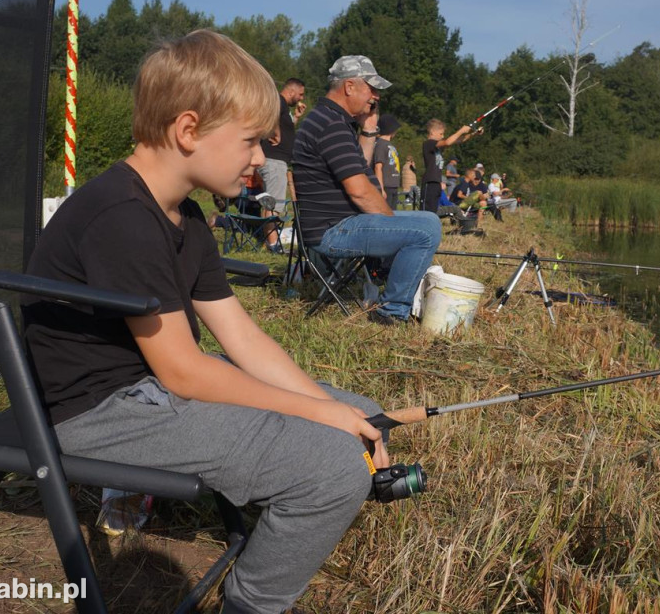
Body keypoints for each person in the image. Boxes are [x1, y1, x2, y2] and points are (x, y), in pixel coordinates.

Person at [22, 30, 389, 614]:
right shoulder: (122, 216)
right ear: (188, 130)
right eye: (249, 142)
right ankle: (251, 605)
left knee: (365, 418)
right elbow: (185, 374)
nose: (260, 158)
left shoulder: (185, 215)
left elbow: (240, 335)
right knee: (336, 468)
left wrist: (335, 407)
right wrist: (322, 417)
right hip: (100, 413)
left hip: (151, 390)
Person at [292, 55, 442, 325]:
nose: (376, 96)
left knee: (429, 220)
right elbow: (360, 191)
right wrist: (392, 228)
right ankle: (392, 312)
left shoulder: (332, 120)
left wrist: (369, 130)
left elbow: (358, 168)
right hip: (332, 231)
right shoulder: (330, 125)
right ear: (349, 87)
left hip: (340, 223)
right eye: (371, 88)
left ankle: (392, 296)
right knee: (425, 230)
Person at [258, 78, 306, 253]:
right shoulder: (278, 101)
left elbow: (285, 128)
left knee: (272, 201)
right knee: (273, 203)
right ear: (292, 91)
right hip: (274, 161)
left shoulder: (284, 108)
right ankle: (273, 244)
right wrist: (275, 131)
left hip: (276, 161)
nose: (301, 98)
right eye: (300, 94)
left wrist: (296, 117)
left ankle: (272, 240)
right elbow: (269, 116)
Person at [421, 119, 478, 214]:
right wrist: (461, 130)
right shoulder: (428, 143)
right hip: (429, 182)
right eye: (441, 134)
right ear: (432, 132)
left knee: (434, 211)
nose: (442, 136)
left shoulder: (437, 146)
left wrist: (473, 134)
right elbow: (447, 142)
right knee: (427, 211)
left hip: (436, 182)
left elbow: (458, 140)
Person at [372, 114, 403, 209]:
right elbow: (378, 167)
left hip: (393, 186)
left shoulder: (389, 144)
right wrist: (381, 188)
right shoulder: (380, 144)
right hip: (386, 186)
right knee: (386, 215)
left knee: (393, 214)